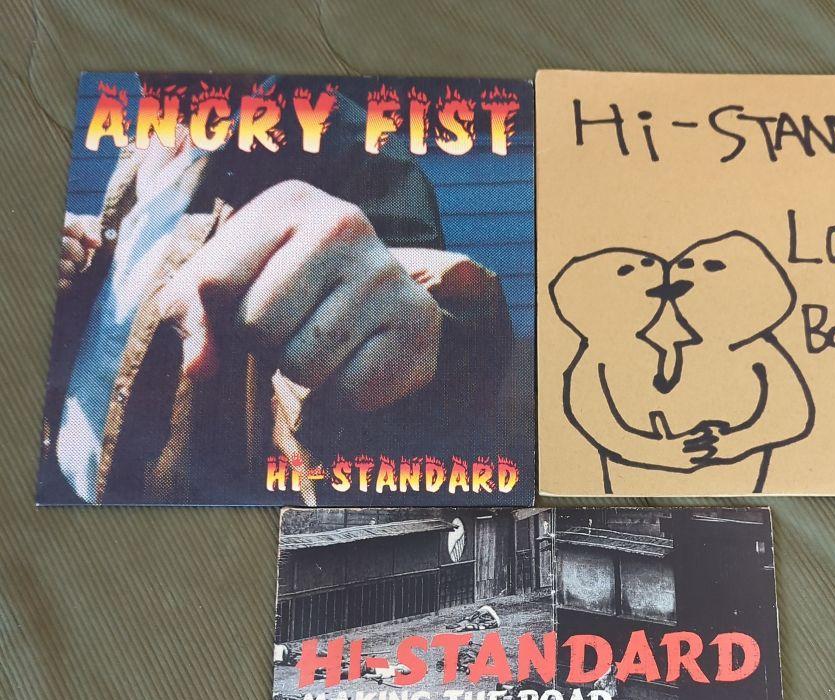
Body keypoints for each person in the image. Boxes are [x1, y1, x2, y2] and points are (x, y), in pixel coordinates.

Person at [40, 77, 512, 505]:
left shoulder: (357, 153)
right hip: (66, 490)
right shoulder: (153, 134)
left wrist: (441, 346)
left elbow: (418, 352)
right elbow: (132, 307)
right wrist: (82, 270)